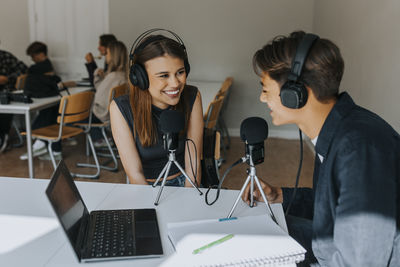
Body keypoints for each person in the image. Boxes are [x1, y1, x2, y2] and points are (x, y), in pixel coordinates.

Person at [242, 31, 399, 266]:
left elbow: (361, 261)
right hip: (333, 244)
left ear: (295, 93)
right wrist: (279, 195)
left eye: (265, 89)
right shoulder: (339, 128)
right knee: (251, 230)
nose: (262, 99)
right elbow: (335, 204)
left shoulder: (359, 150)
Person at [110, 31, 203, 187]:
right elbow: (135, 174)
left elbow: (193, 160)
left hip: (186, 179)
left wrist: (190, 197)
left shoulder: (192, 96)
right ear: (140, 78)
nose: (175, 83)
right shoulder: (120, 109)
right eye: (164, 75)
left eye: (180, 72)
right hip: (146, 186)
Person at [20, 41, 62, 160]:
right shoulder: (47, 66)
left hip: (40, 98)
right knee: (50, 112)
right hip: (50, 97)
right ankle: (51, 148)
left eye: (33, 56)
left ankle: (40, 142)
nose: (32, 59)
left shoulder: (36, 68)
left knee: (46, 114)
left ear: (40, 54)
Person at [90, 40, 128, 146]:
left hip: (104, 115)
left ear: (113, 56)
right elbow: (102, 91)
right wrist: (99, 77)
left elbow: (98, 98)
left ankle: (99, 138)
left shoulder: (112, 76)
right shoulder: (123, 75)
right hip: (118, 113)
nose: (105, 56)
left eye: (107, 53)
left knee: (80, 112)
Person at [0, 47, 28, 152]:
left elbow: (24, 70)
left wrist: (8, 78)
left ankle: (3, 135)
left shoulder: (6, 56)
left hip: (6, 92)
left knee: (5, 103)